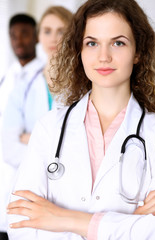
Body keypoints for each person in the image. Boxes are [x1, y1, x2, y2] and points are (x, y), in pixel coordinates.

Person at [6, 0, 155, 239]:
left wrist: (64, 219)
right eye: (92, 43)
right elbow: (19, 223)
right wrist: (130, 222)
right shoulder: (50, 128)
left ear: (138, 52)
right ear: (79, 50)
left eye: (118, 43)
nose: (104, 56)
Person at [1, 7, 72, 239]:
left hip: (72, 193)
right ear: (39, 36)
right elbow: (8, 142)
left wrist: (31, 138)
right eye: (47, 31)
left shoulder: (86, 82)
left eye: (61, 30)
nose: (53, 38)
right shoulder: (24, 84)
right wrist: (49, 154)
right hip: (34, 187)